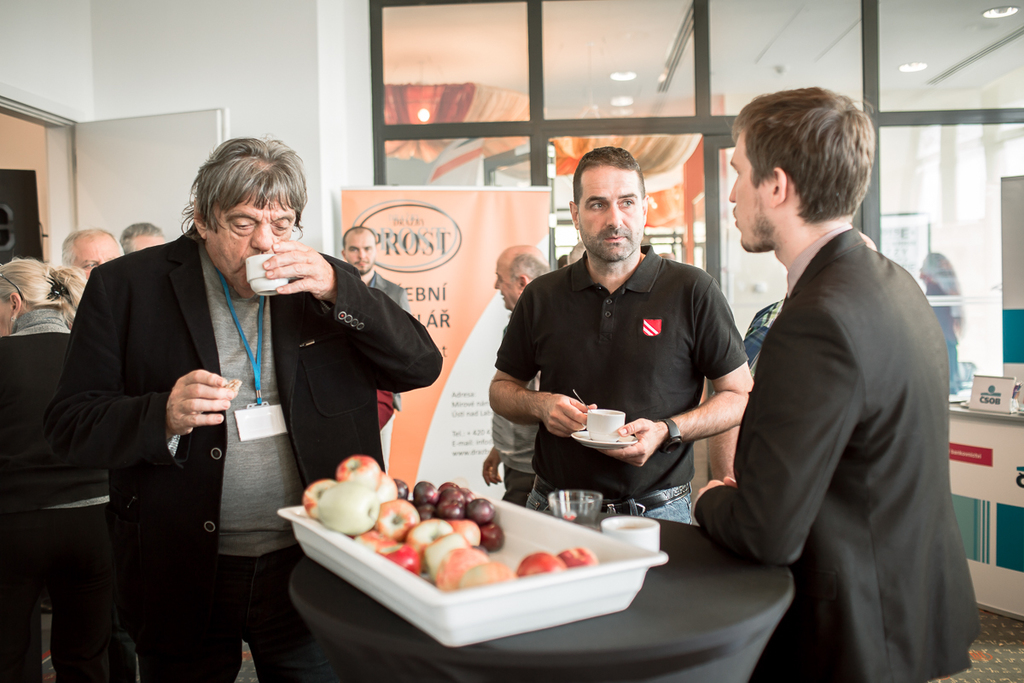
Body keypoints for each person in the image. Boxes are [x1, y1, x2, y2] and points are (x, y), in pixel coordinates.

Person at [44, 137, 443, 683]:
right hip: (181, 565)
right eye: (243, 223)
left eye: (282, 224)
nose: (264, 242)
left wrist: (339, 291)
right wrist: (161, 415)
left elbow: (420, 366)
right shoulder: (126, 287)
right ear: (202, 219)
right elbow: (68, 425)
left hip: (312, 559)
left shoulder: (324, 281)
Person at [694, 88, 977, 682]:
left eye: (738, 173)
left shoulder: (814, 319)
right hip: (905, 606)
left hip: (851, 631)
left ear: (777, 186)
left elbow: (766, 532)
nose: (732, 194)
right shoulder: (894, 283)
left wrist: (710, 498)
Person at [490, 147, 752, 523]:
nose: (615, 219)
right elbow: (501, 390)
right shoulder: (541, 295)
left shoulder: (693, 290)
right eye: (597, 204)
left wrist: (667, 430)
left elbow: (738, 395)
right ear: (575, 214)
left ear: (644, 208)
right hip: (555, 508)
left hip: (659, 511)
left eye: (626, 202)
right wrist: (541, 406)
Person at [0, 259, 111, 682]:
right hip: (93, 521)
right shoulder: (96, 352)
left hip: (15, 524)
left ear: (14, 303)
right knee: (85, 657)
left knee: (7, 656)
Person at [482, 245, 550, 506]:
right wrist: (500, 449)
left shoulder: (548, 325)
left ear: (522, 282)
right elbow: (518, 390)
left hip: (531, 467)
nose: (496, 286)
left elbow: (544, 399)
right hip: (516, 459)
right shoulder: (519, 322)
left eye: (500, 278)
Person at [341, 225, 412, 467]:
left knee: (379, 471)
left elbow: (408, 347)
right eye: (354, 249)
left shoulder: (396, 294)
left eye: (367, 248)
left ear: (376, 251)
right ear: (344, 253)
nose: (362, 255)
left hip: (382, 397)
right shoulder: (332, 291)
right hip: (342, 398)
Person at [920, 252, 964, 395]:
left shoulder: (935, 289)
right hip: (947, 338)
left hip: (942, 340)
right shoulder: (944, 288)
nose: (920, 275)